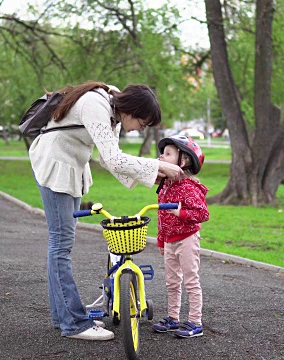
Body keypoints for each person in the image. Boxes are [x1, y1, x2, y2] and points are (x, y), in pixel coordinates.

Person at [28, 81, 184, 341]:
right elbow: (112, 158)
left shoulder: (113, 109)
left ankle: (63, 316)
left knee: (61, 244)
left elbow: (107, 158)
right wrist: (159, 167)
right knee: (61, 245)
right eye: (142, 123)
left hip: (68, 166)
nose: (140, 129)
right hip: (55, 165)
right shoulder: (96, 104)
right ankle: (74, 323)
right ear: (132, 111)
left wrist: (152, 174)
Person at [152, 135, 210, 338]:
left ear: (183, 161)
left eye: (168, 153)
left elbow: (203, 214)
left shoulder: (188, 188)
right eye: (163, 152)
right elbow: (161, 215)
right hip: (170, 240)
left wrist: (181, 214)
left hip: (187, 239)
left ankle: (195, 322)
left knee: (190, 280)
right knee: (172, 281)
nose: (162, 155)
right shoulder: (165, 186)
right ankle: (173, 317)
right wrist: (161, 239)